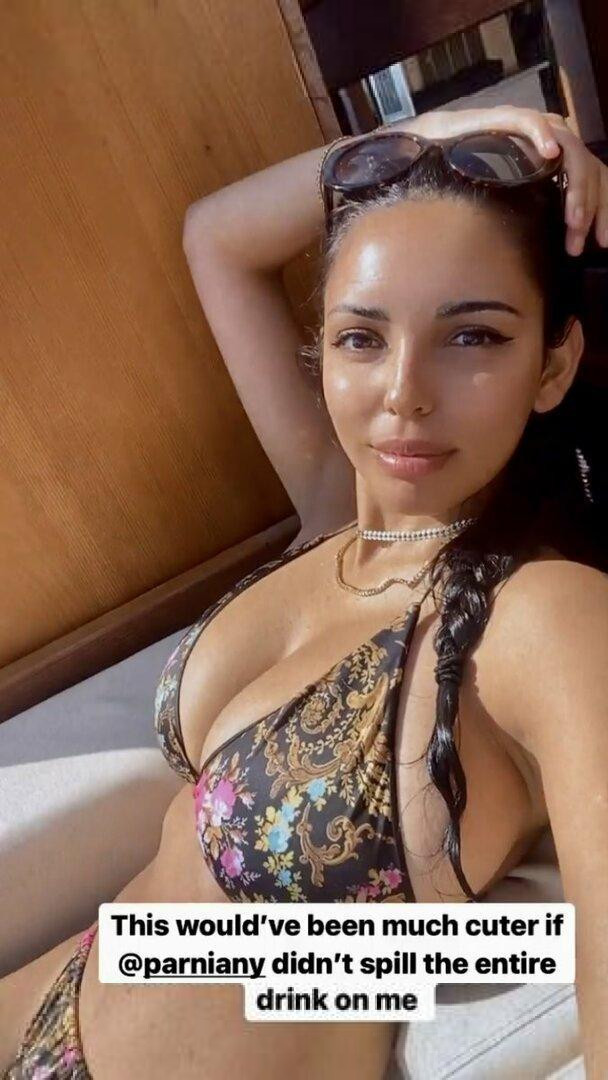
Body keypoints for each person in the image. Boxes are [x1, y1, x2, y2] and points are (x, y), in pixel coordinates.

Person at [1, 104, 607, 1079]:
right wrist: (449, 134)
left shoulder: (549, 620)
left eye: (472, 337)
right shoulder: (333, 507)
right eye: (362, 337)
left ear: (553, 365)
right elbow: (217, 237)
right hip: (47, 1001)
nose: (402, 393)